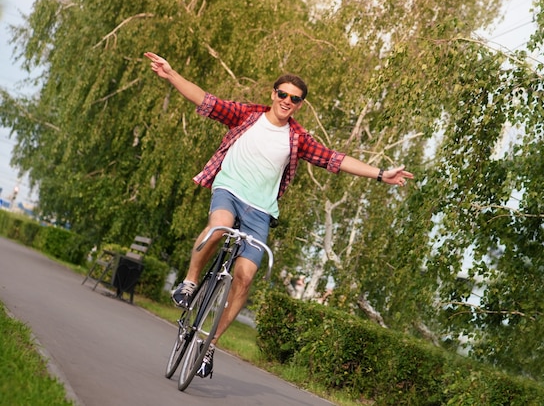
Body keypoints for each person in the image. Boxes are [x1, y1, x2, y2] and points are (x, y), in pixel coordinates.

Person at [144, 51, 414, 378]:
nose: (287, 101)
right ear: (273, 94)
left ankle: (209, 345)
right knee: (219, 228)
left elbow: (334, 159)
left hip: (261, 210)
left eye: (295, 99)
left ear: (300, 105)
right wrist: (171, 74)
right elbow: (206, 100)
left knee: (244, 278)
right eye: (283, 94)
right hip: (228, 190)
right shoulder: (247, 115)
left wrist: (381, 174)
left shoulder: (297, 138)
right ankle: (189, 281)